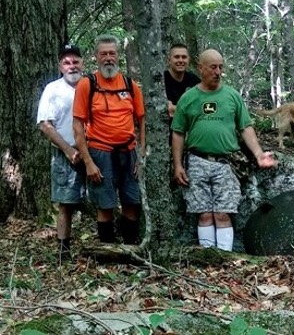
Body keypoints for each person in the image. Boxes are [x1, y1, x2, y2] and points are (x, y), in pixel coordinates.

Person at [171, 49, 277, 251]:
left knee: (222, 213)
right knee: (203, 214)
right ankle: (208, 258)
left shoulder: (232, 96)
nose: (218, 72)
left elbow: (245, 127)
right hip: (196, 161)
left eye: (221, 67)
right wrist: (177, 165)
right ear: (200, 68)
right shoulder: (189, 98)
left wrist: (259, 155)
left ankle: (224, 258)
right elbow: (178, 132)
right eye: (213, 67)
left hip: (226, 163)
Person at [73, 35, 146, 245]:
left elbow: (141, 121)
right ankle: (107, 251)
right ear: (96, 57)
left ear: (118, 56)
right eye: (103, 54)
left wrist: (141, 155)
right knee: (105, 204)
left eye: (112, 53)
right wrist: (88, 162)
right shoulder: (88, 84)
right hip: (100, 152)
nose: (108, 58)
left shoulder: (130, 85)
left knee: (132, 201)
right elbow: (77, 126)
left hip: (129, 152)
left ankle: (130, 248)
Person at [37, 44, 85, 258]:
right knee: (65, 203)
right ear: (60, 65)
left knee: (104, 200)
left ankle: (106, 246)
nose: (71, 66)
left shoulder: (91, 85)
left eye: (75, 61)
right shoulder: (52, 89)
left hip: (94, 152)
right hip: (66, 154)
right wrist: (67, 150)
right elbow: (45, 124)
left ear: (82, 63)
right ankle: (63, 250)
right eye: (67, 62)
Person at [164, 43, 200, 144]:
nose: (180, 60)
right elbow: (167, 110)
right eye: (176, 57)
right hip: (165, 138)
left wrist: (176, 110)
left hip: (190, 138)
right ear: (169, 60)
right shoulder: (161, 80)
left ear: (188, 59)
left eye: (184, 57)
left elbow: (205, 105)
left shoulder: (193, 80)